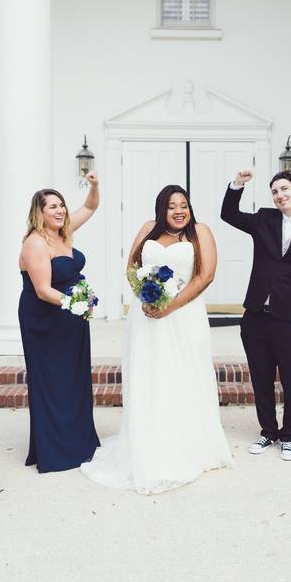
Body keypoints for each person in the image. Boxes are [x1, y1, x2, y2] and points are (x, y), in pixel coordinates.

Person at [81, 185, 233, 493]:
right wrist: (147, 298)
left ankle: (188, 445)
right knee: (149, 374)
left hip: (184, 315)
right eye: (172, 206)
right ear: (161, 209)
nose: (179, 211)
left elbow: (206, 276)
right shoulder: (148, 229)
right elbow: (132, 268)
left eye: (184, 205)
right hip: (147, 316)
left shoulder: (199, 232)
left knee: (183, 375)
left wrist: (170, 306)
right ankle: (147, 441)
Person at [220, 170, 291, 461]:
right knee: (261, 377)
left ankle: (289, 436)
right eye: (275, 191)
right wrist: (237, 185)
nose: (280, 195)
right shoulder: (264, 219)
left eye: (285, 189)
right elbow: (228, 214)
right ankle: (268, 431)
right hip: (256, 314)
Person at [19, 171, 101, 473]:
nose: (60, 210)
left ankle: (79, 441)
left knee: (73, 378)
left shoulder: (64, 233)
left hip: (72, 316)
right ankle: (56, 449)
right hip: (45, 318)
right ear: (39, 212)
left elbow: (91, 207)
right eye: (53, 206)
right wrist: (78, 304)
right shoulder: (36, 243)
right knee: (52, 380)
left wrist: (94, 185)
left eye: (62, 205)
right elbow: (42, 290)